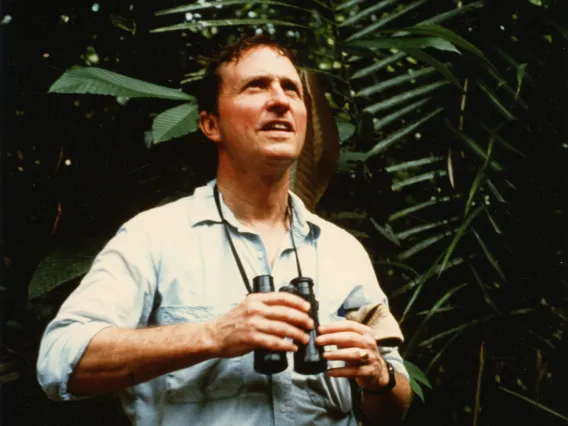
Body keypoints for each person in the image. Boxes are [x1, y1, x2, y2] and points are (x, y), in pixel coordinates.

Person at [37, 36, 413, 425]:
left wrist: (379, 378)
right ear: (210, 123)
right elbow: (61, 360)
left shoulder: (342, 250)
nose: (280, 100)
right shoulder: (153, 236)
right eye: (256, 86)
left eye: (292, 89)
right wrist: (213, 335)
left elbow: (394, 408)